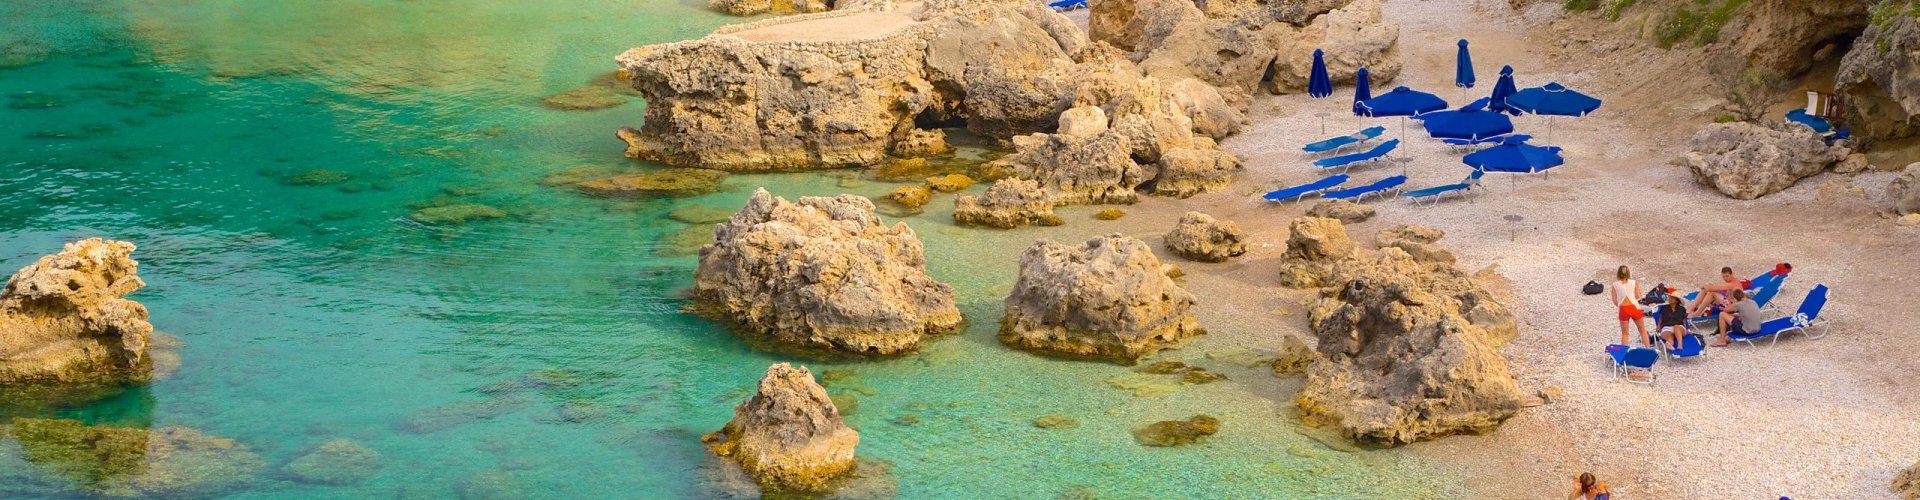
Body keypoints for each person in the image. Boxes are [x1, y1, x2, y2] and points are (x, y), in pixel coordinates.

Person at [1610, 265, 1651, 346]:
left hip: (1623, 308)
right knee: (1642, 330)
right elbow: (1638, 295)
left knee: (1625, 333)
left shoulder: (1615, 284)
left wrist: (1619, 303)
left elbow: (1614, 300)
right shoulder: (1633, 282)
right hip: (1634, 306)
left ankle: (1624, 353)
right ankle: (1648, 349)